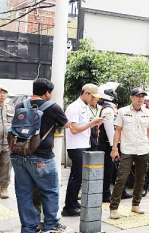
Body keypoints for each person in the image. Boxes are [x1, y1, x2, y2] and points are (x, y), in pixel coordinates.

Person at [11, 78, 71, 232]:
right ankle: (51, 224)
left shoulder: (20, 105)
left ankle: (29, 227)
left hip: (19, 155)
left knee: (23, 194)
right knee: (50, 191)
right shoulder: (53, 107)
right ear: (47, 93)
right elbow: (66, 124)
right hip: (42, 157)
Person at [109, 87, 149, 219]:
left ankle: (136, 204)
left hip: (143, 149)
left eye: (142, 96)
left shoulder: (148, 112)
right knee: (121, 178)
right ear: (131, 97)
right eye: (137, 96)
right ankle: (113, 208)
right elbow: (118, 130)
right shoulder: (123, 111)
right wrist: (114, 148)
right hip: (127, 149)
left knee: (141, 178)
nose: (140, 98)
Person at [62, 84, 104, 217]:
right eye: (93, 96)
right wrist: (92, 123)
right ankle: (69, 206)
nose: (94, 100)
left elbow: (82, 125)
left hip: (81, 145)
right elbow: (74, 129)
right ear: (85, 93)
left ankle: (72, 203)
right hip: (76, 146)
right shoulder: (74, 107)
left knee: (77, 176)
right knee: (76, 176)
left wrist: (93, 121)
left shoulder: (84, 107)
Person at [97, 82, 120, 203]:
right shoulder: (108, 109)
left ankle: (114, 191)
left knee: (112, 168)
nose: (115, 94)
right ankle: (105, 193)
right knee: (108, 169)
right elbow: (109, 128)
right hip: (107, 143)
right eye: (113, 92)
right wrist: (113, 146)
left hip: (109, 143)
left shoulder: (110, 108)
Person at [0, 84, 14, 199]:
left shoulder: (10, 108)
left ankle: (4, 188)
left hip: (7, 143)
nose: (3, 95)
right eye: (0, 92)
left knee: (6, 167)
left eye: (5, 92)